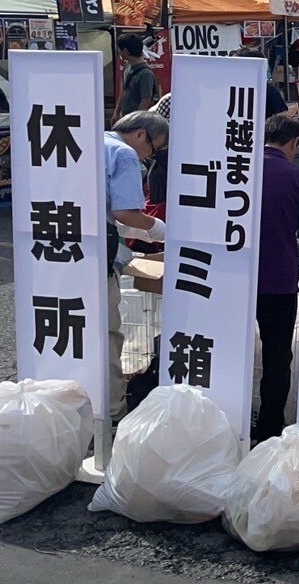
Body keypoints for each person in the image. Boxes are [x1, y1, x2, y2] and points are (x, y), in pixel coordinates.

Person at [106, 110, 169, 420]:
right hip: (94, 258)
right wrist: (161, 229)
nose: (148, 158)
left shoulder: (90, 142)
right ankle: (112, 412)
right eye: (153, 149)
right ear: (141, 134)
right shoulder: (124, 154)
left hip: (56, 250)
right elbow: (125, 212)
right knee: (105, 334)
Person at [255, 114, 299, 442]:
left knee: (230, 349)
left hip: (233, 279)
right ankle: (268, 432)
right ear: (292, 144)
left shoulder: (237, 170)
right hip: (279, 278)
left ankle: (226, 425)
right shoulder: (296, 177)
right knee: (277, 357)